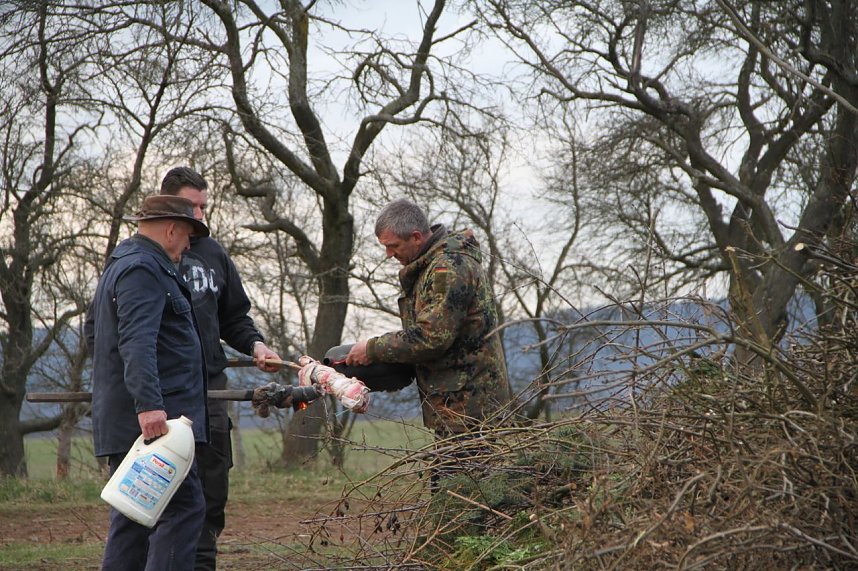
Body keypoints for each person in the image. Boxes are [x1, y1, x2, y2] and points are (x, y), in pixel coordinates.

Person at [159, 166, 282, 570]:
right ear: (169, 206)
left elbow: (235, 317)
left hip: (210, 389)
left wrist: (256, 344)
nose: (199, 215)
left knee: (212, 491)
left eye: (203, 207)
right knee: (164, 494)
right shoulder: (144, 255)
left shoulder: (213, 254)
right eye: (191, 207)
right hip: (162, 393)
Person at [87, 194, 211, 570]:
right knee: (183, 509)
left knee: (134, 515)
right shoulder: (144, 269)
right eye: (188, 234)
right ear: (172, 229)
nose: (189, 245)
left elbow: (96, 335)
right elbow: (137, 342)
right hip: (155, 424)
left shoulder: (124, 265)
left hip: (140, 421)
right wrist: (149, 406)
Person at [346, 198, 513, 454]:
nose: (389, 255)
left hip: (471, 408)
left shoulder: (449, 268)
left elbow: (431, 337)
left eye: (393, 246)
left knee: (461, 489)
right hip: (455, 404)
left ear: (415, 237)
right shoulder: (430, 266)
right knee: (453, 487)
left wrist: (371, 349)